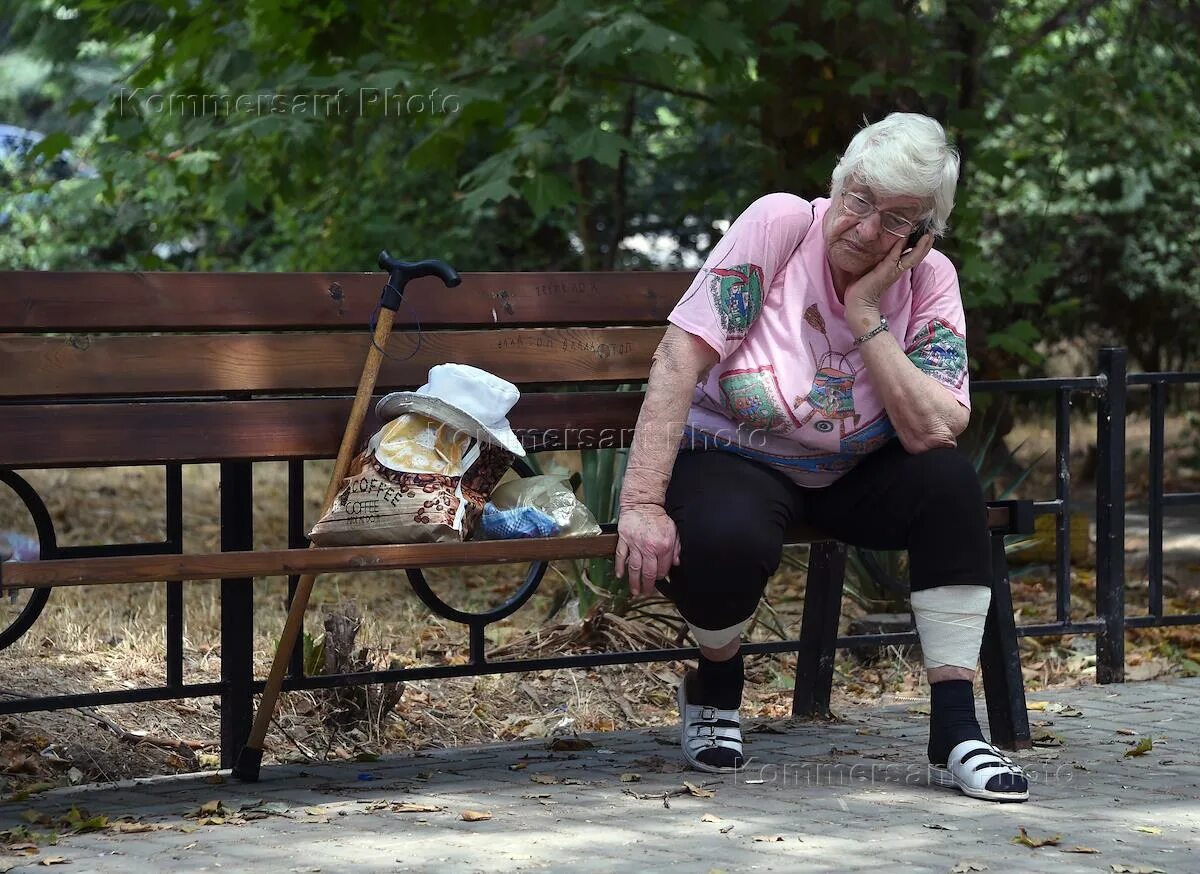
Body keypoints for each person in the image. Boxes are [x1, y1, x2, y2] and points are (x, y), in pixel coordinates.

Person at [613, 113, 1029, 803]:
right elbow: (680, 353)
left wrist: (867, 309)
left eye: (896, 220)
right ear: (836, 185)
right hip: (736, 452)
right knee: (724, 535)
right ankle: (716, 684)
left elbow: (935, 427)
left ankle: (957, 728)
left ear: (925, 233)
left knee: (950, 483)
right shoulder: (779, 225)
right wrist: (642, 503)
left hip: (852, 470)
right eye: (858, 201)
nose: (866, 229)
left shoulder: (930, 280)